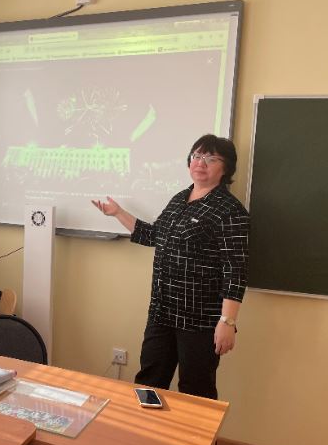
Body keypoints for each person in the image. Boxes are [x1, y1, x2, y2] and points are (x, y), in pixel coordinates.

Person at [92, 134, 249, 400]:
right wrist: (118, 213)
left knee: (195, 390)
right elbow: (153, 235)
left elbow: (236, 270)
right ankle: (146, 427)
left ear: (226, 168)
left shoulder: (230, 211)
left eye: (210, 159)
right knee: (149, 382)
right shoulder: (179, 199)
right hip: (161, 312)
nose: (200, 163)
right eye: (196, 156)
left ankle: (196, 431)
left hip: (199, 321)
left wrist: (228, 321)